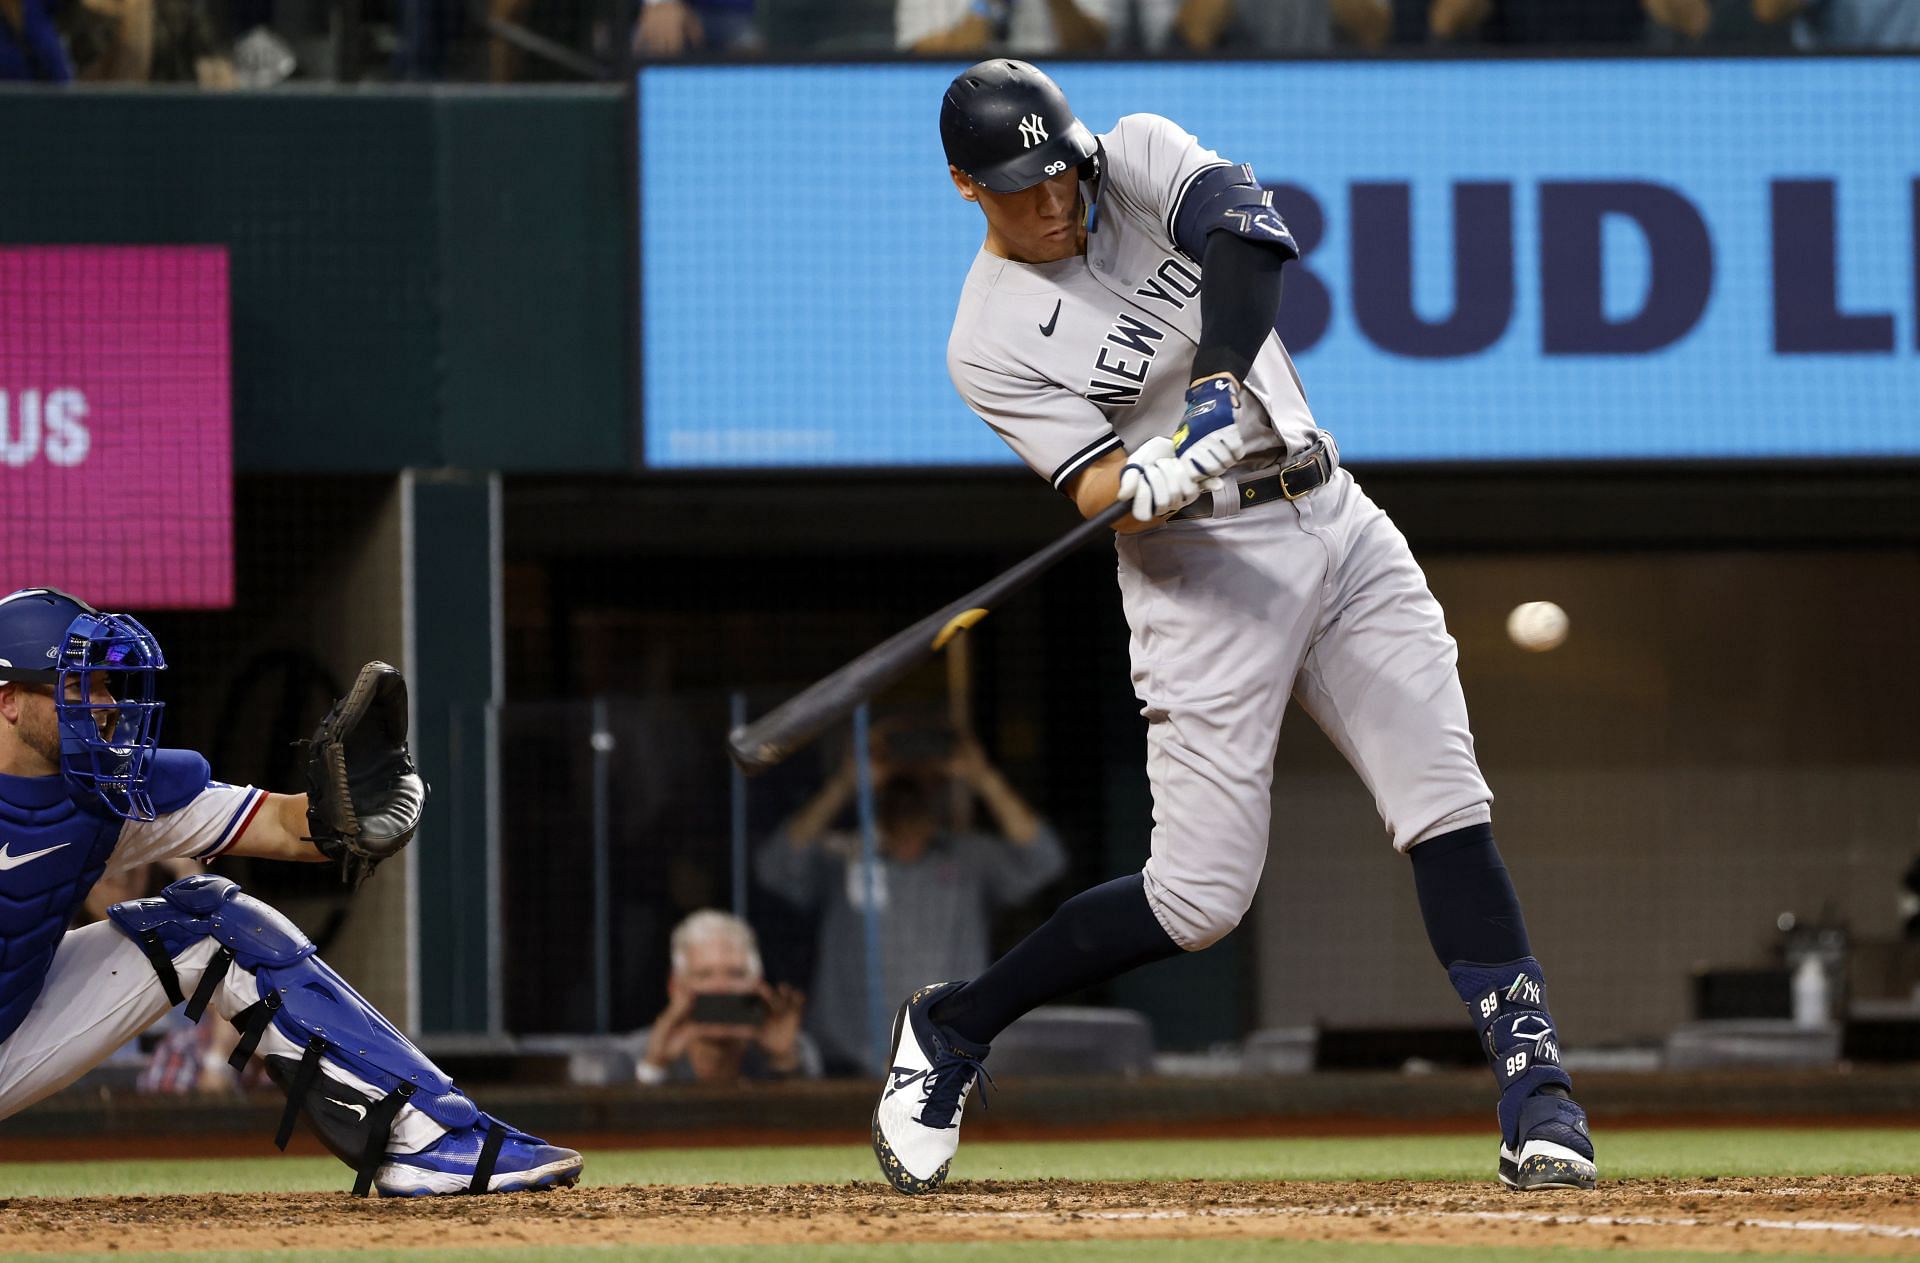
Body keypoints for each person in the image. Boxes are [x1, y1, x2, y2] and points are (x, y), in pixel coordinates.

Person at [870, 60, 1597, 1197]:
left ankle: (1537, 1091)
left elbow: (1249, 247)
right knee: (1199, 903)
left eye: (1061, 168)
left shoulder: (1140, 151)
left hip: (1332, 513)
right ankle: (955, 1026)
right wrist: (1151, 484)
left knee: (1444, 797)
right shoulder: (987, 339)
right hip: (1199, 575)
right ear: (967, 187)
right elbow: (1094, 488)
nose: (1056, 198)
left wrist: (1212, 397)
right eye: (1022, 185)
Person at [0, 587, 582, 1197]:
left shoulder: (106, 797)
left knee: (207, 921)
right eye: (77, 688)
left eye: (105, 686)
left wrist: (348, 807)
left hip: (15, 1034)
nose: (105, 705)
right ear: (10, 701)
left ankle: (431, 1141)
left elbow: (284, 825)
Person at [759, 732, 1066, 1075]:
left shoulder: (969, 857)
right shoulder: (842, 854)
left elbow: (1044, 861)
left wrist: (983, 779)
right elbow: (775, 867)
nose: (907, 787)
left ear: (939, 787)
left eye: (920, 778)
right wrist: (844, 785)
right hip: (848, 1060)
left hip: (949, 1055)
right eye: (896, 777)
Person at [634, 910, 815, 1085]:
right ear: (675, 987)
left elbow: (809, 1115)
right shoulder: (619, 1058)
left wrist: (783, 1062)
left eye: (736, 974)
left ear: (757, 985)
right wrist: (654, 1067)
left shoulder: (796, 1051)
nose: (721, 987)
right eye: (704, 975)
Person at [898, 0, 1109, 55]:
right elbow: (920, 56)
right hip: (968, 97)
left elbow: (1093, 43)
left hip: (1051, 90)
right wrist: (983, 6)